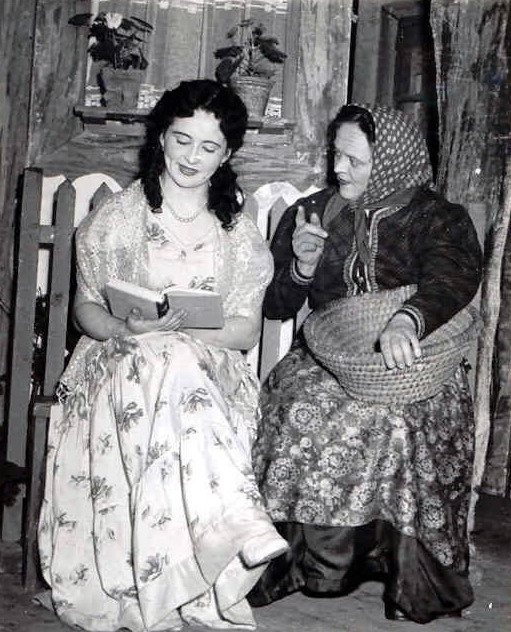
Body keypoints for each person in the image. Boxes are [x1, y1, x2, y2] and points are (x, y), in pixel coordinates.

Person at [38, 79, 289, 632]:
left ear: (227, 155)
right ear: (161, 137)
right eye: (182, 140)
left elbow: (245, 330)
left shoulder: (237, 235)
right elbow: (85, 311)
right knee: (162, 357)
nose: (192, 158)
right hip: (120, 358)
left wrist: (181, 333)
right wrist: (127, 328)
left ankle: (181, 576)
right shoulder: (117, 219)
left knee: (175, 356)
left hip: (204, 367)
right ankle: (234, 520)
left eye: (209, 147)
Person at [249, 104, 482, 623]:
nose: (338, 168)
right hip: (327, 355)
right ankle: (305, 565)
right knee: (302, 406)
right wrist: (303, 267)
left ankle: (407, 576)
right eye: (336, 154)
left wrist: (408, 319)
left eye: (355, 160)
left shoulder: (436, 217)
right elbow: (276, 305)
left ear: (392, 161)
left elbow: (452, 277)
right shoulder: (312, 212)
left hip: (418, 355)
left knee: (401, 421)